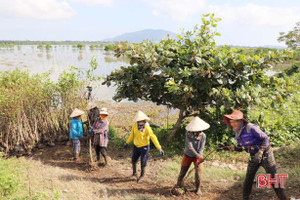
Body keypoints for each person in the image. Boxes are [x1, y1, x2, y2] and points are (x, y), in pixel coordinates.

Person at [223, 110, 287, 200]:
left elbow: (266, 138)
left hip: (265, 154)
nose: (232, 124)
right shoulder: (237, 132)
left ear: (240, 121)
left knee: (273, 177)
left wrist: (260, 152)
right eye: (231, 122)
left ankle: (283, 198)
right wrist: (230, 148)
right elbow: (242, 147)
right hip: (253, 155)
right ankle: (245, 198)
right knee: (249, 178)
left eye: (234, 122)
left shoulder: (251, 128)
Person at [124, 111, 164, 183]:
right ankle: (134, 172)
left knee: (143, 161)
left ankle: (142, 175)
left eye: (142, 120)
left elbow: (153, 137)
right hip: (136, 146)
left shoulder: (147, 127)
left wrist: (159, 148)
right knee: (133, 160)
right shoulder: (134, 126)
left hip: (144, 147)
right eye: (139, 120)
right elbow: (132, 136)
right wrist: (126, 143)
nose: (141, 121)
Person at [174, 117, 209, 196]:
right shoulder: (188, 134)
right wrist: (197, 155)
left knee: (198, 173)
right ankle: (178, 185)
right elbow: (189, 146)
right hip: (188, 155)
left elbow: (202, 147)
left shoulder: (203, 135)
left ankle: (198, 188)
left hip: (198, 155)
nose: (199, 130)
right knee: (183, 171)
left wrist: (199, 155)